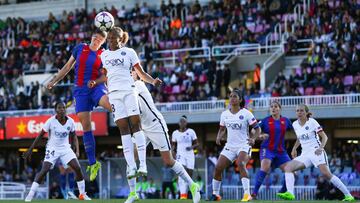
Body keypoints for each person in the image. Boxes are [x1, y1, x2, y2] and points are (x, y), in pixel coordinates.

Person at [123, 70, 201, 203]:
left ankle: (193, 186)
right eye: (128, 72)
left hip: (156, 125)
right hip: (143, 128)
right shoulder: (126, 90)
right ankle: (133, 193)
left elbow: (132, 103)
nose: (130, 74)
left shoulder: (139, 85)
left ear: (138, 76)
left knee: (169, 161)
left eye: (132, 72)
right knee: (131, 157)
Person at [46, 29, 112, 181]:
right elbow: (67, 66)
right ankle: (93, 163)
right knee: (86, 127)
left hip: (95, 87)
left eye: (100, 40)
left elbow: (106, 75)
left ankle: (131, 129)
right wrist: (54, 81)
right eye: (95, 38)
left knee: (111, 105)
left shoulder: (104, 54)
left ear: (102, 43)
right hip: (80, 91)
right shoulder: (80, 48)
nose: (96, 41)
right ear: (91, 37)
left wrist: (97, 81)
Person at [100, 26, 162, 179]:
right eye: (108, 38)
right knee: (123, 129)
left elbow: (140, 73)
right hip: (114, 95)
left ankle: (143, 164)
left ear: (120, 39)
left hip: (129, 91)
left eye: (113, 38)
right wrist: (100, 84)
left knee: (135, 125)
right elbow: (106, 75)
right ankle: (132, 167)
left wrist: (153, 81)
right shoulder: (104, 55)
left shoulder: (129, 52)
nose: (109, 40)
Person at [277, 104, 355, 202]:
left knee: (327, 174)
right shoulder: (295, 124)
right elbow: (299, 138)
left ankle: (348, 195)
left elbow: (325, 137)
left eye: (301, 111)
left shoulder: (312, 122)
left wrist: (321, 148)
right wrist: (294, 148)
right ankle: (290, 193)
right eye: (297, 111)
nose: (299, 112)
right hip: (305, 154)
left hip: (316, 151)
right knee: (288, 167)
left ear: (306, 113)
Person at [23, 101, 91, 201]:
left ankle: (82, 194)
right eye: (59, 108)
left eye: (63, 108)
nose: (62, 109)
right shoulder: (50, 121)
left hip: (65, 148)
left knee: (77, 168)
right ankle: (30, 196)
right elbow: (40, 135)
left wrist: (77, 150)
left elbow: (74, 136)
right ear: (56, 110)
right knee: (44, 170)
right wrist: (30, 149)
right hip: (52, 148)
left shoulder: (71, 121)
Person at [210, 89, 261, 202]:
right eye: (231, 96)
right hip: (230, 146)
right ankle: (216, 195)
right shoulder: (224, 114)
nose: (232, 98)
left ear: (240, 99)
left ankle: (247, 195)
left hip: (244, 145)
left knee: (241, 163)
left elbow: (257, 129)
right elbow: (222, 129)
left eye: (235, 96)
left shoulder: (246, 113)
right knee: (218, 168)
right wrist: (219, 136)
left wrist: (253, 139)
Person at [251, 101, 293, 199]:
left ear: (280, 109)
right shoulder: (265, 120)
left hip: (281, 151)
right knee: (265, 168)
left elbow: (296, 129)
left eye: (276, 107)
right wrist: (260, 136)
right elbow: (253, 130)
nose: (273, 108)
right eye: (272, 107)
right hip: (267, 149)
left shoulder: (286, 121)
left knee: (291, 170)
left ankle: (282, 191)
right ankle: (254, 194)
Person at [171, 115, 199, 199]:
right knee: (181, 172)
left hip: (190, 155)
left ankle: (186, 193)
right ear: (178, 123)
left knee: (189, 175)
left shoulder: (191, 131)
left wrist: (191, 147)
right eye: (181, 121)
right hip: (180, 155)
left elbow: (197, 143)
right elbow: (173, 146)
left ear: (186, 123)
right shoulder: (175, 133)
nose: (182, 123)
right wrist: (173, 154)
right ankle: (182, 195)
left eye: (184, 121)